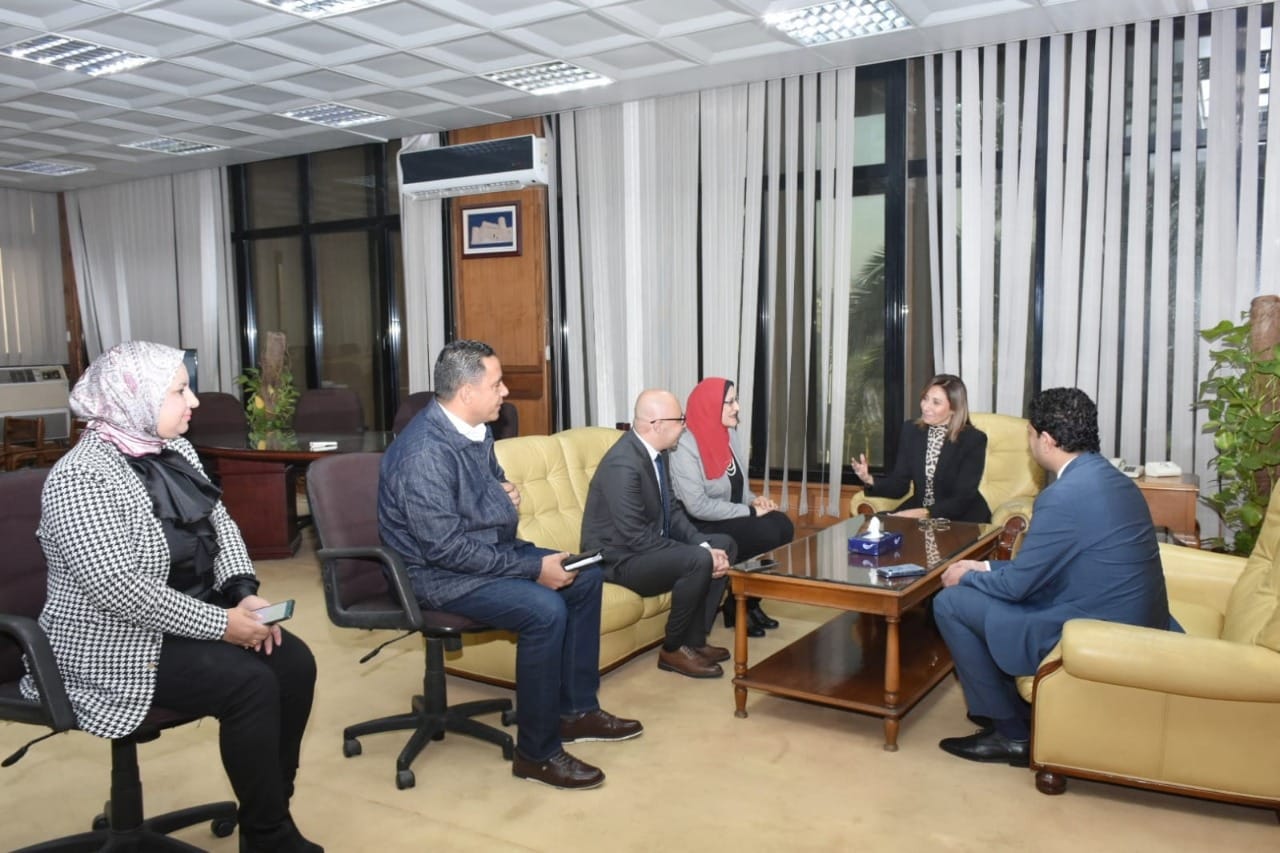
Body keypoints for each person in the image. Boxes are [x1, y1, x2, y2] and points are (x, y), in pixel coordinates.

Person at [22, 341, 320, 853]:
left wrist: (241, 592)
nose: (194, 401)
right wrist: (222, 625)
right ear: (135, 398)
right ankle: (270, 838)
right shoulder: (81, 477)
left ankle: (268, 815)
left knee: (293, 663)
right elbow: (121, 591)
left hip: (186, 616)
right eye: (180, 391)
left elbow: (220, 526)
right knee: (248, 683)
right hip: (111, 642)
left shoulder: (174, 451)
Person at [378, 340, 641, 791]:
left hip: (482, 551)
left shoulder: (474, 429)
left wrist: (503, 494)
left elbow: (492, 490)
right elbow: (445, 549)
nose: (505, 392)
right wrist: (532, 569)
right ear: (466, 392)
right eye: (497, 384)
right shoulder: (423, 454)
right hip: (433, 575)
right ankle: (536, 754)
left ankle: (575, 711)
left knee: (584, 574)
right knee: (544, 610)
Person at [933, 387, 1180, 766]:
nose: (1029, 442)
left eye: (1030, 434)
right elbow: (1049, 565)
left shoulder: (1064, 495)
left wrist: (966, 577)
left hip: (1097, 628)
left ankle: (1011, 736)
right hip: (1133, 616)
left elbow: (1018, 586)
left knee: (950, 602)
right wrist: (983, 566)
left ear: (1046, 440)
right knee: (977, 586)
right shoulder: (1113, 479)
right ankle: (1010, 708)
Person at [581, 389, 739, 679]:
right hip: (617, 560)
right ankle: (673, 649)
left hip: (642, 547)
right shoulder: (623, 464)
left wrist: (704, 545)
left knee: (723, 544)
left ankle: (695, 641)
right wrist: (701, 553)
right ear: (657, 425)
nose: (685, 426)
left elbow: (673, 511)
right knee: (698, 559)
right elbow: (635, 537)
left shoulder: (658, 453)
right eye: (680, 420)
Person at [669, 377, 794, 638]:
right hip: (699, 523)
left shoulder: (730, 435)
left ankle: (749, 602)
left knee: (783, 525)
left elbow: (740, 488)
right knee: (767, 532)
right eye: (730, 402)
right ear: (710, 406)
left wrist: (754, 500)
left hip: (728, 515)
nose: (737, 407)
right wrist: (750, 511)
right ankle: (738, 603)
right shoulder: (684, 445)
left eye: (736, 400)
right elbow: (697, 506)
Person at [851, 373, 991, 523]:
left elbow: (962, 498)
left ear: (954, 409)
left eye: (936, 402)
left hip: (961, 518)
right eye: (925, 398)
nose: (925, 407)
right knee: (876, 526)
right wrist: (869, 479)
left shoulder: (973, 439)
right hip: (920, 510)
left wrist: (924, 513)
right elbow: (900, 485)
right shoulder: (911, 430)